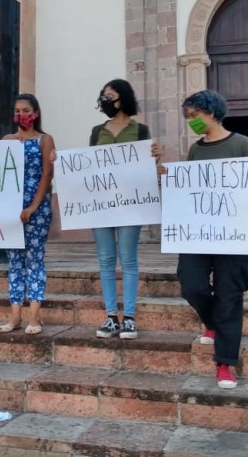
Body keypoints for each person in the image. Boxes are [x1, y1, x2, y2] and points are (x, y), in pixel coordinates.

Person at [175, 89, 248, 389]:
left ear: (211, 112)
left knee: (229, 298)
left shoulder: (241, 144)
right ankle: (210, 323)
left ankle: (225, 364)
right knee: (191, 285)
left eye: (195, 115)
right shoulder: (196, 150)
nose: (191, 121)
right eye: (188, 117)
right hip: (199, 235)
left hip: (234, 236)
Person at [90, 79, 154, 340]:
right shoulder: (97, 131)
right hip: (101, 204)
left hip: (131, 203)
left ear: (124, 97)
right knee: (105, 260)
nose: (106, 100)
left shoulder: (140, 131)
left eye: (111, 95)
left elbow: (145, 166)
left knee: (128, 259)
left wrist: (155, 159)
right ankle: (110, 317)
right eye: (103, 96)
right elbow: (88, 166)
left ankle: (128, 317)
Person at [0, 93, 55, 336]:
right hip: (11, 209)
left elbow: (46, 174)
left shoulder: (45, 139)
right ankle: (15, 316)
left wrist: (32, 206)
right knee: (14, 262)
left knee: (34, 259)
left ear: (36, 113)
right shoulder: (7, 140)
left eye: (26, 110)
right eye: (17, 110)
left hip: (36, 208)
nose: (22, 115)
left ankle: (34, 316)